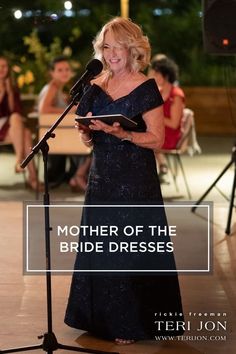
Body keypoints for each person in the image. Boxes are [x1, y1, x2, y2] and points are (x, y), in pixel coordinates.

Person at [64, 17, 184, 344]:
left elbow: (157, 138)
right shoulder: (95, 84)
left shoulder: (146, 87)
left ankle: (130, 323)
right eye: (106, 46)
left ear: (132, 49)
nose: (112, 53)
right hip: (102, 178)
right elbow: (89, 138)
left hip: (135, 180)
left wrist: (124, 134)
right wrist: (88, 135)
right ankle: (99, 317)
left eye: (118, 46)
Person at [38, 55, 91, 190]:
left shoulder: (60, 89)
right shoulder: (53, 87)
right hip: (58, 138)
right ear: (52, 73)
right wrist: (72, 109)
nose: (64, 73)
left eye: (67, 69)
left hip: (62, 136)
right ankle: (78, 176)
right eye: (60, 70)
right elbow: (43, 110)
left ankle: (77, 176)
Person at [0, 55, 42, 191]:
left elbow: (14, 110)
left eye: (4, 66)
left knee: (22, 128)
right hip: (3, 126)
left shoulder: (12, 86)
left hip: (9, 127)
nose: (2, 69)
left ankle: (21, 163)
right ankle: (32, 179)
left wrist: (9, 92)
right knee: (24, 132)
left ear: (8, 69)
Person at [148, 54, 185, 182]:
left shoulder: (176, 95)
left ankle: (150, 177)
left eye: (157, 74)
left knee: (140, 141)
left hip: (171, 136)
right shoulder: (158, 91)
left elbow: (174, 124)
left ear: (166, 75)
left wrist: (155, 116)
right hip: (159, 131)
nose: (155, 77)